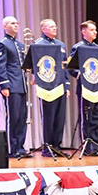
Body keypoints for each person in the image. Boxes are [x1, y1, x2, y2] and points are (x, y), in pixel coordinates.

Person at [0, 16, 29, 159]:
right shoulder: (2, 43)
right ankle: (12, 148)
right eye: (12, 23)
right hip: (11, 86)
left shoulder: (20, 45)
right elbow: (0, 66)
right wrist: (4, 85)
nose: (16, 25)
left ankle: (20, 147)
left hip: (22, 85)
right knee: (13, 118)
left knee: (22, 118)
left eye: (17, 23)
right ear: (4, 26)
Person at [33, 18, 69, 155]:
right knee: (49, 117)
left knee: (60, 117)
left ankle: (57, 146)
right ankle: (47, 147)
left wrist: (67, 85)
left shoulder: (60, 44)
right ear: (43, 29)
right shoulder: (38, 44)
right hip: (46, 86)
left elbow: (64, 66)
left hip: (60, 84)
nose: (55, 28)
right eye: (51, 27)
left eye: (55, 26)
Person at [69, 20, 98, 155]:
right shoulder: (78, 47)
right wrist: (78, 74)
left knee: (96, 118)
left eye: (95, 30)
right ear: (84, 32)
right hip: (85, 88)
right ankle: (87, 146)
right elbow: (70, 66)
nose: (95, 32)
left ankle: (95, 145)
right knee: (87, 118)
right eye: (92, 30)